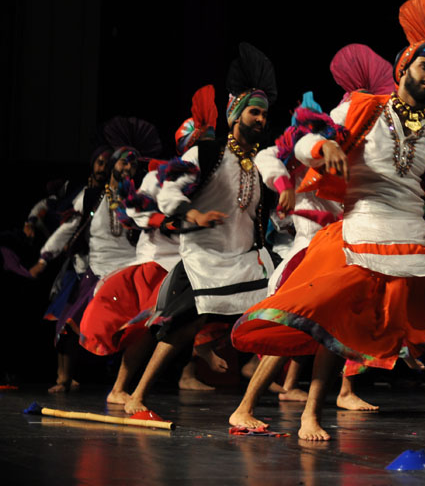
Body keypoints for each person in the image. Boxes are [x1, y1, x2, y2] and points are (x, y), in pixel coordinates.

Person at [232, 0, 425, 440]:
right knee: (335, 321)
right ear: (403, 70)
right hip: (364, 227)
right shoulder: (362, 108)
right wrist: (326, 147)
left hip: (418, 232)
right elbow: (299, 143)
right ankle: (309, 413)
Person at [230, 45, 397, 428]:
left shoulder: (362, 146)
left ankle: (315, 411)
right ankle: (245, 407)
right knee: (294, 320)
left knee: (336, 328)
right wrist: (285, 182)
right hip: (308, 247)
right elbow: (270, 157)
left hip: (345, 242)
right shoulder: (309, 141)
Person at [124, 44, 277, 414]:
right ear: (234, 115)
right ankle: (136, 395)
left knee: (276, 317)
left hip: (243, 258)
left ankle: (246, 406)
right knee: (181, 330)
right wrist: (192, 216)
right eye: (253, 112)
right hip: (203, 259)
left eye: (264, 114)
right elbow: (168, 190)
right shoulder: (205, 154)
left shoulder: (259, 165)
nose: (259, 119)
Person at [79, 86, 220, 403]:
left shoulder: (213, 181)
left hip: (189, 264)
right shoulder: (158, 178)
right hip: (157, 262)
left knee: (206, 309)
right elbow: (136, 210)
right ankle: (122, 389)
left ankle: (195, 360)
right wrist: (169, 221)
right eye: (200, 144)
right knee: (144, 328)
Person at [32, 118, 161, 392]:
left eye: (134, 164)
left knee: (138, 326)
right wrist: (44, 259)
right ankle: (63, 379)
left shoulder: (137, 198)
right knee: (69, 321)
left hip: (128, 271)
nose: (128, 167)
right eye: (124, 161)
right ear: (114, 162)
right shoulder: (92, 196)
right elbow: (68, 229)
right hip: (97, 270)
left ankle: (122, 384)